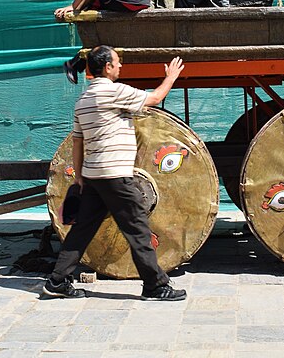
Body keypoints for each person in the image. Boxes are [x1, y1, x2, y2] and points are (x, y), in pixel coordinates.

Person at [42, 46, 187, 301]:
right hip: (115, 175)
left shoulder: (83, 100)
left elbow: (78, 141)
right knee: (137, 227)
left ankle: (57, 281)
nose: (121, 67)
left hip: (94, 175)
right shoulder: (113, 91)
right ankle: (155, 285)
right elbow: (153, 99)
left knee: (83, 229)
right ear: (107, 67)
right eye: (118, 62)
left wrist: (79, 176)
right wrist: (171, 77)